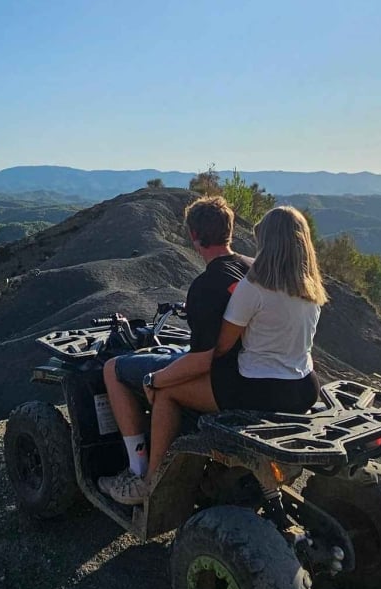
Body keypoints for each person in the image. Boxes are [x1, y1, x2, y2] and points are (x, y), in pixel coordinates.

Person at [104, 205, 327, 505]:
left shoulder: (255, 286)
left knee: (165, 390)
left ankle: (147, 480)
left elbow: (216, 351)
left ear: (194, 236)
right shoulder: (309, 289)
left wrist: (155, 379)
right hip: (303, 386)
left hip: (258, 388)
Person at [95, 196, 251, 506]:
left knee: (114, 368)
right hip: (256, 365)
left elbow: (204, 359)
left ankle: (138, 473)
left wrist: (157, 379)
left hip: (226, 376)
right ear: (230, 231)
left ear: (194, 236)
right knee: (173, 351)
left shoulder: (207, 284)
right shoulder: (253, 268)